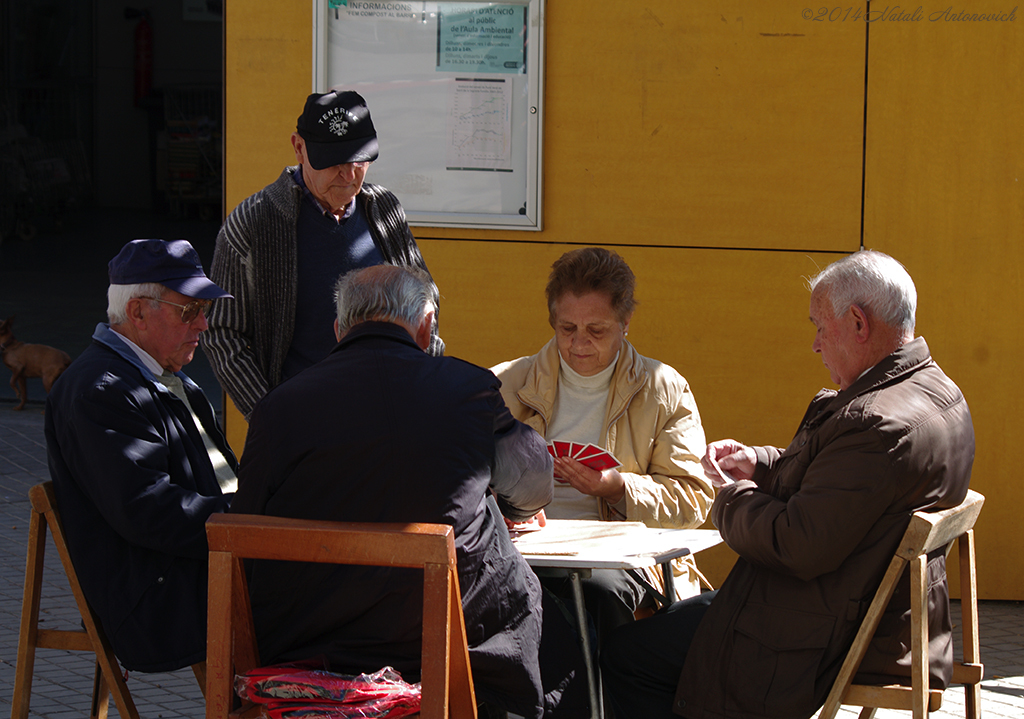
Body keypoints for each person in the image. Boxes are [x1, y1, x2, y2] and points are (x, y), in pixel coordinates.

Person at [601, 250, 975, 719]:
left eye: (820, 326)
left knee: (624, 655)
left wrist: (728, 495)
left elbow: (795, 543)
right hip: (858, 614)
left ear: (858, 323)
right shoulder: (935, 391)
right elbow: (842, 487)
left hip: (814, 635)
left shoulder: (877, 424)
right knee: (670, 619)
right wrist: (758, 465)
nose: (815, 345)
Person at [230, 265, 589, 719]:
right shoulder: (467, 390)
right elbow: (534, 482)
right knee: (553, 628)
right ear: (426, 325)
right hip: (446, 652)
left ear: (340, 329)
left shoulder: (279, 407)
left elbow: (248, 527)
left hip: (304, 654)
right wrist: (513, 507)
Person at [491, 247, 713, 642]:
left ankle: (599, 705)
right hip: (525, 551)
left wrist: (619, 489)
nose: (579, 343)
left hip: (621, 561)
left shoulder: (664, 389)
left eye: (596, 330)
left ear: (626, 322)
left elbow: (693, 500)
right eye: (567, 329)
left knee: (594, 593)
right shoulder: (507, 383)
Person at [45, 239, 237, 673]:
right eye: (190, 311)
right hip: (161, 599)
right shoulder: (100, 389)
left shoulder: (172, 378)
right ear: (137, 313)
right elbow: (149, 512)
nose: (204, 325)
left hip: (208, 565)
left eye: (204, 310)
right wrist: (250, 517)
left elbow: (219, 480)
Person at [201, 87, 443, 420]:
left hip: (391, 407)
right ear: (299, 148)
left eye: (359, 160)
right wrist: (272, 414)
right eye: (333, 162)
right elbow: (222, 332)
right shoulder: (253, 222)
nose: (349, 174)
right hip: (303, 416)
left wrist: (423, 381)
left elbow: (425, 298)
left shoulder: (382, 207)